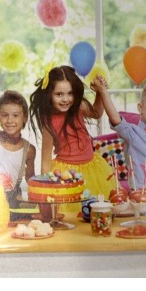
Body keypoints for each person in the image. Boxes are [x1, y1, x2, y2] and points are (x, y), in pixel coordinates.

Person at [29, 66, 115, 198]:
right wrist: (45, 193)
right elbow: (45, 161)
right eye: (59, 94)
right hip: (67, 174)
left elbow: (96, 113)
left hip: (92, 168)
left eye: (70, 93)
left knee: (97, 205)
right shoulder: (48, 122)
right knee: (71, 207)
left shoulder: (78, 106)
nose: (66, 99)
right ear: (49, 94)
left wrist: (99, 92)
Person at [94, 76, 146, 192]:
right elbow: (115, 117)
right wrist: (103, 91)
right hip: (140, 196)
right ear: (140, 108)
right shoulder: (133, 133)